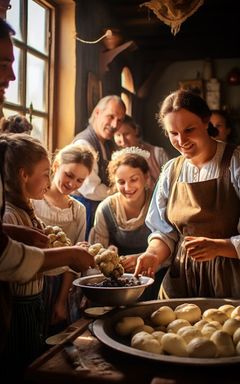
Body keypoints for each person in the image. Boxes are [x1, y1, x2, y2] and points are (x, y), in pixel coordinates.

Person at [1, 133, 95, 375]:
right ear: (23, 175)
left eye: (80, 180)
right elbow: (16, 266)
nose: (72, 183)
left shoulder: (28, 209)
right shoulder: (11, 213)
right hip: (17, 306)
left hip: (35, 299)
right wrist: (69, 255)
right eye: (46, 173)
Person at [134, 89, 240, 299]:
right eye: (173, 133)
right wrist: (153, 255)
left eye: (189, 129)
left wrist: (220, 247)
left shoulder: (235, 163)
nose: (181, 140)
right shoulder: (171, 171)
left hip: (231, 277)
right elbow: (165, 232)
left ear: (206, 121)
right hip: (182, 277)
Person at [89, 146, 167, 299]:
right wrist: (111, 256)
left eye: (133, 179)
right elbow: (98, 255)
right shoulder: (106, 209)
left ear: (146, 177)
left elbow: (172, 247)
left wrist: (144, 258)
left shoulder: (158, 204)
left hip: (157, 280)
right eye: (121, 182)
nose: (128, 187)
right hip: (121, 284)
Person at [33, 143, 95, 334]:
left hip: (63, 285)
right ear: (55, 165)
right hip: (33, 281)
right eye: (69, 175)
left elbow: (74, 261)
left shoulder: (79, 210)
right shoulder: (34, 201)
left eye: (80, 180)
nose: (72, 184)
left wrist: (61, 300)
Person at [72, 95, 126, 237]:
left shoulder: (108, 143)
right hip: (85, 209)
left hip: (99, 208)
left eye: (119, 120)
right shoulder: (84, 144)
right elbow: (91, 189)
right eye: (111, 116)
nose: (115, 125)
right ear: (97, 113)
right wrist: (120, 194)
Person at [114, 114, 170, 189]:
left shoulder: (157, 153)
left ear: (136, 130)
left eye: (126, 134)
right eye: (118, 135)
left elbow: (170, 181)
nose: (123, 141)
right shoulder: (115, 158)